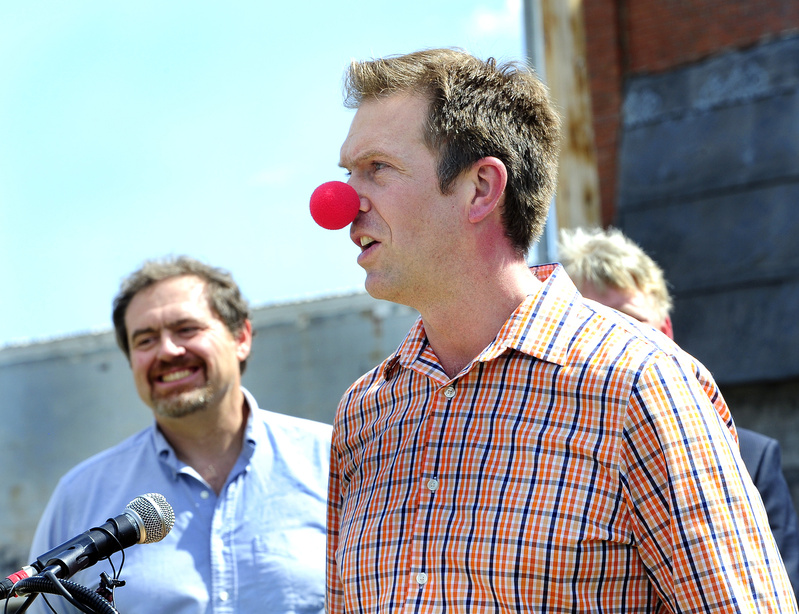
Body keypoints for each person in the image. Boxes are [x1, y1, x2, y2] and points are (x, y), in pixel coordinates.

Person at [326, 48, 797, 613]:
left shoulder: (640, 385)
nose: (338, 206)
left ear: (481, 188)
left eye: (377, 167)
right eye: (347, 173)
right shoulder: (364, 414)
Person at [29, 256, 331, 614]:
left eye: (186, 329)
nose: (168, 351)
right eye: (145, 340)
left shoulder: (335, 459)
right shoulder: (79, 496)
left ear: (242, 338)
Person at [558, 225, 799, 598]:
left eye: (630, 320)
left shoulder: (750, 457)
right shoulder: (541, 462)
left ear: (665, 331)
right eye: (593, 322)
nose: (610, 341)